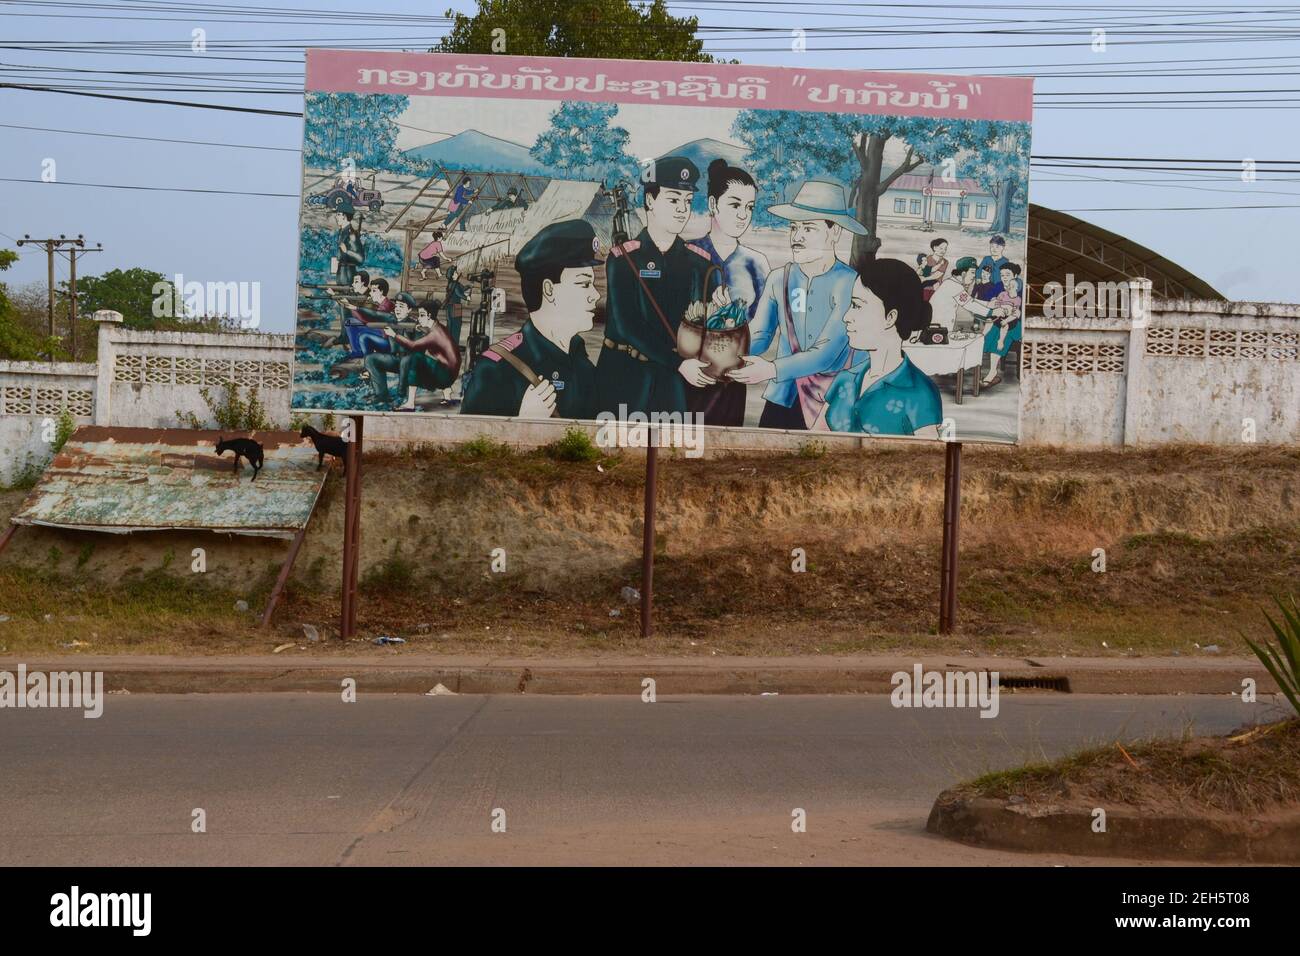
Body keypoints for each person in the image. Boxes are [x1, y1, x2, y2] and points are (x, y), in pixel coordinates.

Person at [726, 180, 866, 430]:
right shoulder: (779, 278)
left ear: (835, 233)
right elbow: (759, 334)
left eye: (809, 228)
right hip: (785, 394)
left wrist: (769, 369)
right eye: (794, 227)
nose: (797, 237)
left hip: (832, 399)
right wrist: (728, 357)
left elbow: (826, 353)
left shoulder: (850, 283)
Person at [595, 155, 726, 418]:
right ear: (650, 201)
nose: (682, 209)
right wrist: (679, 364)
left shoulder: (701, 264)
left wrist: (723, 317)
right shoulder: (624, 259)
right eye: (673, 199)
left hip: (673, 381)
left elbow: (710, 326)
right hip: (624, 374)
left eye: (687, 201)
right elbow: (626, 324)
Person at [461, 220, 603, 420]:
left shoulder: (582, 363)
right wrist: (522, 422)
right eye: (584, 284)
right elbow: (470, 443)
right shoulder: (496, 370)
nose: (595, 295)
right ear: (549, 289)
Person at [816, 257, 942, 438]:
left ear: (890, 317)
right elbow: (813, 441)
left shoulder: (921, 392)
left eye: (856, 305)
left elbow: (927, 459)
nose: (847, 317)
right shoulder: (845, 379)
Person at [687, 158, 770, 426]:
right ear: (713, 204)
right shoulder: (687, 254)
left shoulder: (755, 263)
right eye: (734, 204)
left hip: (733, 380)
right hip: (691, 374)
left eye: (749, 207)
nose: (743, 214)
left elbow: (761, 326)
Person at [369, 296, 460, 411]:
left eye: (421, 315)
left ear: (429, 316)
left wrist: (394, 335)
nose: (419, 318)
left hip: (446, 375)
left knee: (415, 358)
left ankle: (409, 402)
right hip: (449, 372)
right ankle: (447, 393)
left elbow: (414, 346)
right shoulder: (437, 327)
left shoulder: (435, 334)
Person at [929, 256, 1000, 334]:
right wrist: (992, 312)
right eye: (972, 272)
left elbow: (969, 300)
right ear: (963, 273)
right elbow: (969, 304)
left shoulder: (953, 282)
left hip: (940, 325)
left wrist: (987, 304)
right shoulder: (953, 285)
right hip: (936, 326)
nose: (974, 276)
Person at [982, 262, 1024, 388]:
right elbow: (989, 300)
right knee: (992, 327)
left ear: (1015, 275)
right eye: (1002, 275)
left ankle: (992, 371)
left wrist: (1014, 313)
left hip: (1014, 325)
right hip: (999, 320)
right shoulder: (999, 286)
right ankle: (986, 367)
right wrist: (994, 302)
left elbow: (1018, 312)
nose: (1004, 277)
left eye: (1007, 274)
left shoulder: (1019, 288)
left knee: (1000, 331)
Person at [342, 277, 396, 357]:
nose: (370, 293)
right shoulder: (380, 303)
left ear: (381, 292)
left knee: (351, 323)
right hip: (377, 329)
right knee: (351, 322)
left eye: (374, 291)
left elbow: (368, 321)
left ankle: (358, 352)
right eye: (371, 290)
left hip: (383, 335)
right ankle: (357, 350)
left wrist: (353, 309)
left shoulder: (386, 306)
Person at [333, 209, 365, 287]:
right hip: (341, 277)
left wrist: (347, 251)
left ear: (345, 216)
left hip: (348, 279)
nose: (336, 217)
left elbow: (360, 259)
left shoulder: (351, 235)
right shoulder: (342, 232)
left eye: (338, 214)